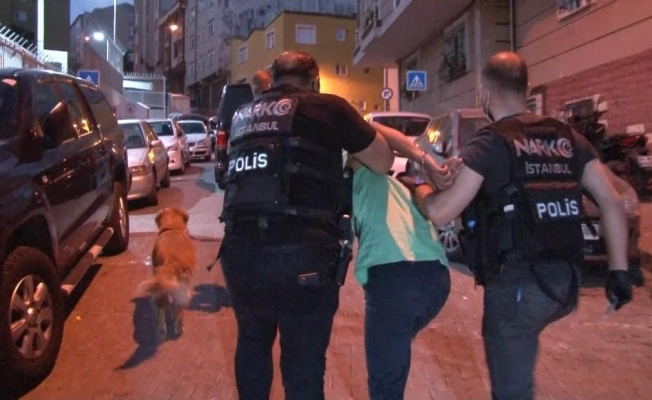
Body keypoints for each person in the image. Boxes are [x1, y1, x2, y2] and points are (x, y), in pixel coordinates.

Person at [412, 51, 633, 400]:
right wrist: (619, 271)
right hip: (565, 282)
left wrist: (420, 188)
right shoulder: (568, 137)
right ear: (526, 89)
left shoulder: (491, 141)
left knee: (512, 390)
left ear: (485, 94)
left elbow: (441, 211)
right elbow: (611, 200)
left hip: (517, 287)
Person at [217, 50, 395, 400]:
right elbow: (383, 161)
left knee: (252, 343)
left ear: (271, 79)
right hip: (305, 256)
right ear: (315, 81)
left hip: (241, 253)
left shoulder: (242, 115)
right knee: (303, 364)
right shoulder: (329, 107)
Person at [348, 120, 451, 400]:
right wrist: (424, 160)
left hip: (393, 276)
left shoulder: (353, 165)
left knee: (386, 383)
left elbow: (375, 130)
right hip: (436, 278)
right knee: (393, 354)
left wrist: (423, 161)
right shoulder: (396, 184)